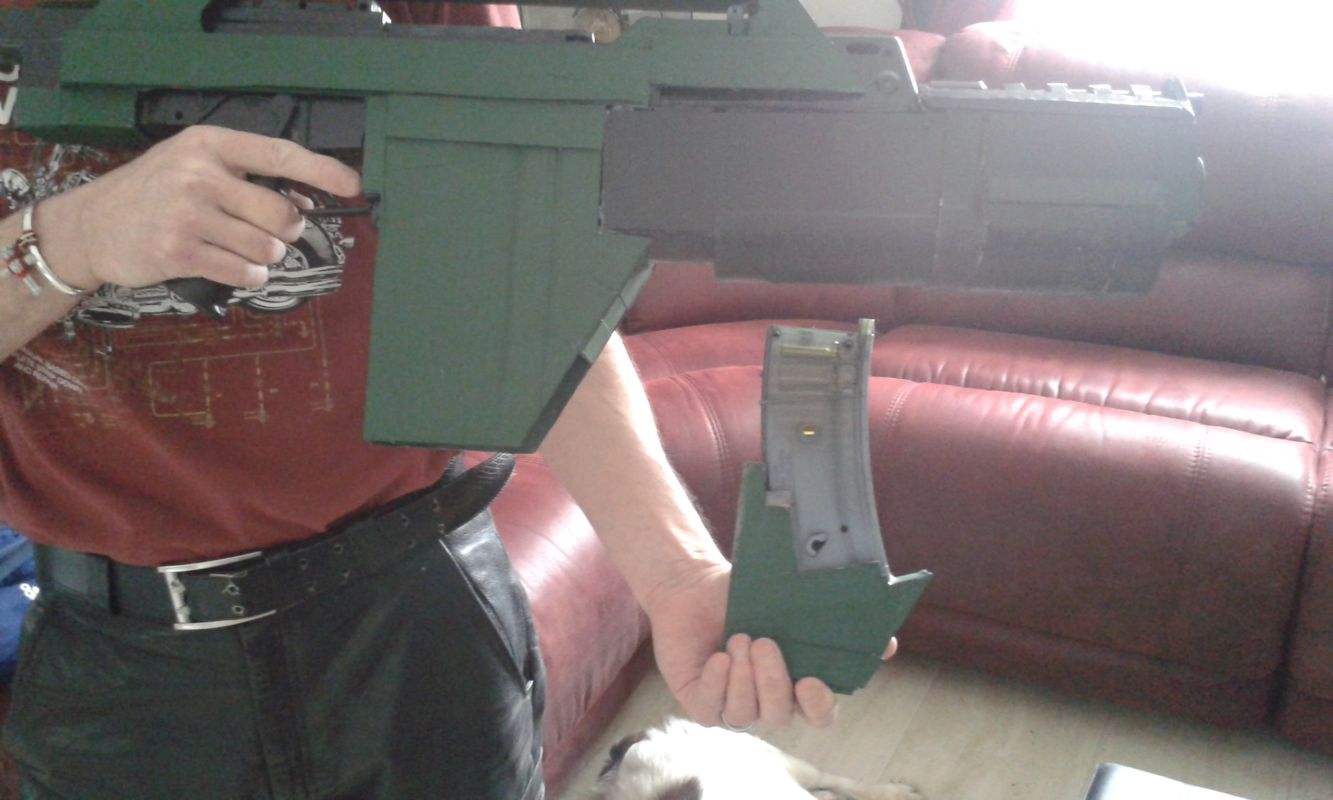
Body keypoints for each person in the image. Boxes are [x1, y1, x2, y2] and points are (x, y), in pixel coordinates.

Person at [0, 2, 895, 798]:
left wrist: (676, 576)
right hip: (119, 666)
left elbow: (523, 285)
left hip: (417, 624)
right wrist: (65, 242)